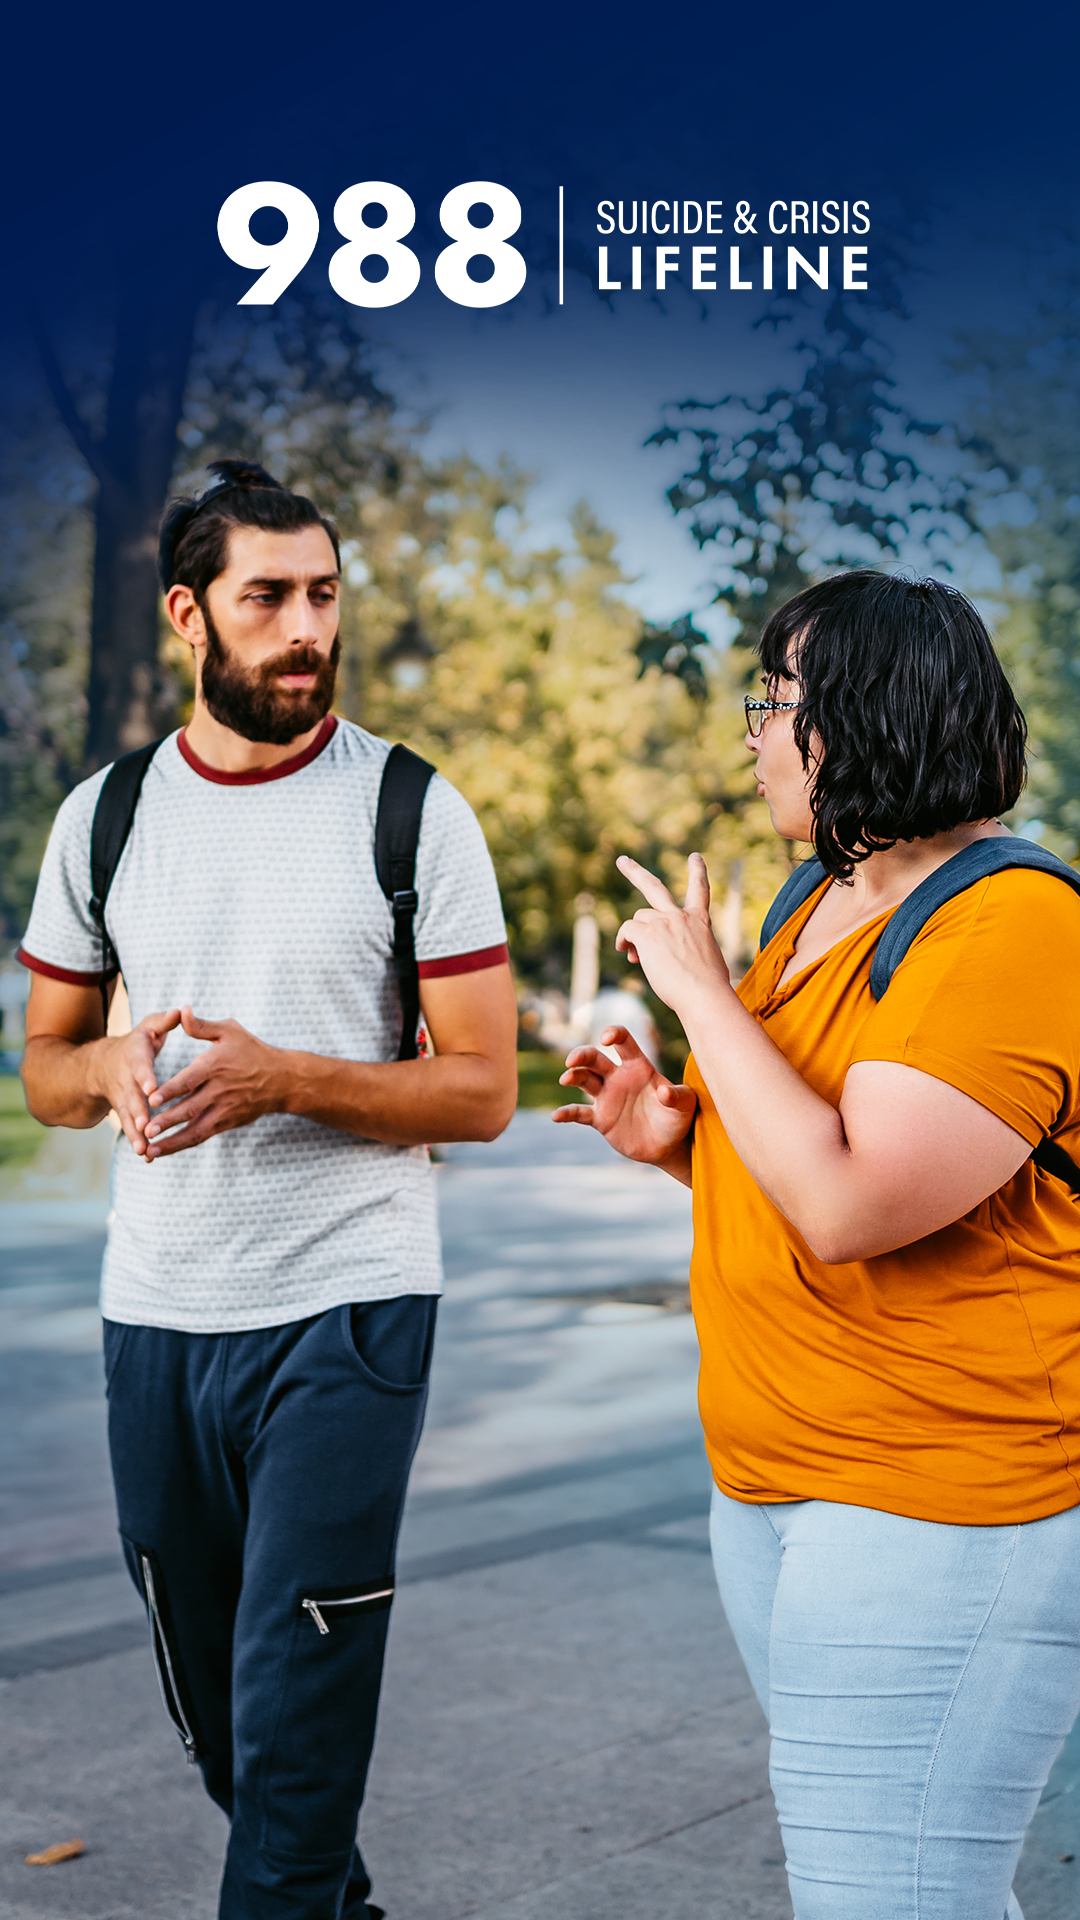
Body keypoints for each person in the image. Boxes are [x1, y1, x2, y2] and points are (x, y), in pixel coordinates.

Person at [18, 460, 518, 1920]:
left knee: (296, 1713)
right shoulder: (102, 821)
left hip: (348, 1310)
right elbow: (47, 1064)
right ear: (190, 614)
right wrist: (105, 1064)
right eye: (269, 599)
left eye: (324, 595)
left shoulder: (415, 814)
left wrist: (284, 1077)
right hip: (158, 1314)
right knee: (227, 1722)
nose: (309, 628)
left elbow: (483, 1089)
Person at [554, 569, 1080, 1920]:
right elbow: (796, 1153)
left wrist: (694, 991)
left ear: (860, 717)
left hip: (940, 1501)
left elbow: (853, 1205)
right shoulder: (811, 899)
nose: (750, 731)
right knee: (906, 1888)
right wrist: (679, 1135)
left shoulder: (1017, 924)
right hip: (780, 1489)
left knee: (890, 1897)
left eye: (772, 699)